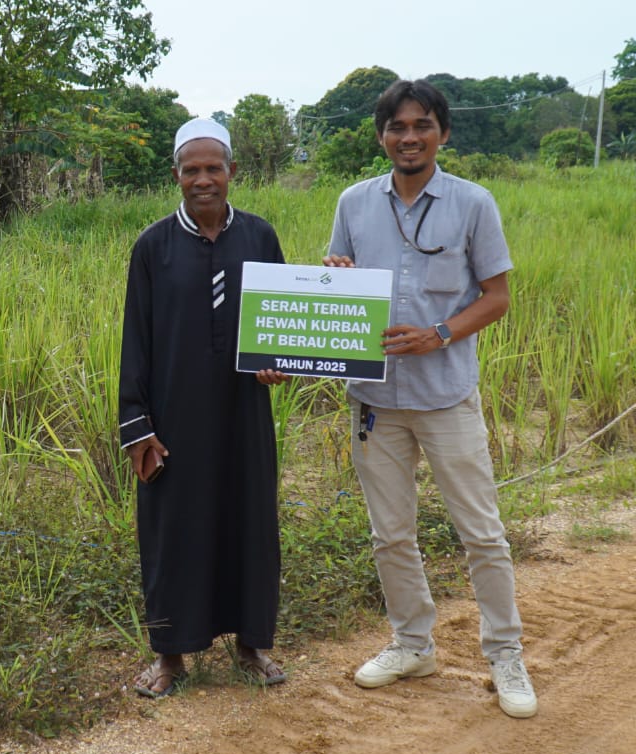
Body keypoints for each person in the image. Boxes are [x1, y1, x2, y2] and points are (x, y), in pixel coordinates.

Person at [323, 79, 537, 718]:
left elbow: (496, 297)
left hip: (445, 396)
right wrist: (333, 278)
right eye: (397, 126)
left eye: (421, 125)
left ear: (443, 132)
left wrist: (438, 334)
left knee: (481, 533)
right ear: (381, 135)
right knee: (391, 535)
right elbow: (336, 281)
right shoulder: (354, 203)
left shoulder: (473, 204)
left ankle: (506, 655)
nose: (408, 137)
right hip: (374, 398)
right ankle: (412, 643)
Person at [119, 117, 290, 698]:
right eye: (190, 170)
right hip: (175, 415)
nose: (202, 179)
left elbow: (281, 327)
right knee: (171, 531)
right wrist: (138, 426)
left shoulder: (261, 238)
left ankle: (251, 646)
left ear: (232, 172)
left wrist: (279, 362)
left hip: (244, 413)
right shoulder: (153, 246)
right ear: (176, 176)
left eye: (213, 167)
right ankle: (170, 657)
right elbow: (135, 341)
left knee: (250, 521)